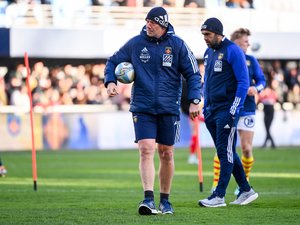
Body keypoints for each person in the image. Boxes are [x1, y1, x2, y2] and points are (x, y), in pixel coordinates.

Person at [104, 7, 202, 215]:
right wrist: (110, 81)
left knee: (166, 152)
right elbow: (113, 60)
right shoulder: (135, 43)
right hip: (143, 106)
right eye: (147, 21)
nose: (148, 25)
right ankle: (148, 199)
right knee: (146, 148)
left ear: (163, 24)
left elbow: (193, 74)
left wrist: (194, 100)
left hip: (169, 108)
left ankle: (165, 200)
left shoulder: (178, 45)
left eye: (153, 22)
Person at [198, 18, 258, 207]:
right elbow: (207, 82)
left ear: (218, 33)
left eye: (208, 35)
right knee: (226, 151)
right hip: (211, 110)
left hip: (226, 109)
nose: (205, 38)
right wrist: (205, 105)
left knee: (225, 152)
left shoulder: (233, 51)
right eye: (203, 35)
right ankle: (246, 190)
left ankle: (219, 195)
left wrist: (234, 109)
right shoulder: (208, 53)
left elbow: (243, 82)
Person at [211, 28, 266, 194]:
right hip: (228, 107)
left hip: (247, 108)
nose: (248, 44)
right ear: (236, 42)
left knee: (246, 148)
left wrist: (256, 88)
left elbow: (262, 81)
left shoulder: (251, 60)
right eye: (245, 41)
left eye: (248, 42)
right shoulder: (226, 57)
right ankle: (215, 183)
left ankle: (244, 181)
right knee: (223, 147)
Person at [259, 76, 278, 148]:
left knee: (267, 128)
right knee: (267, 128)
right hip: (266, 109)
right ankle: (271, 144)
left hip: (270, 109)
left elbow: (275, 99)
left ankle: (269, 143)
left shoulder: (272, 92)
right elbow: (260, 98)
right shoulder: (264, 92)